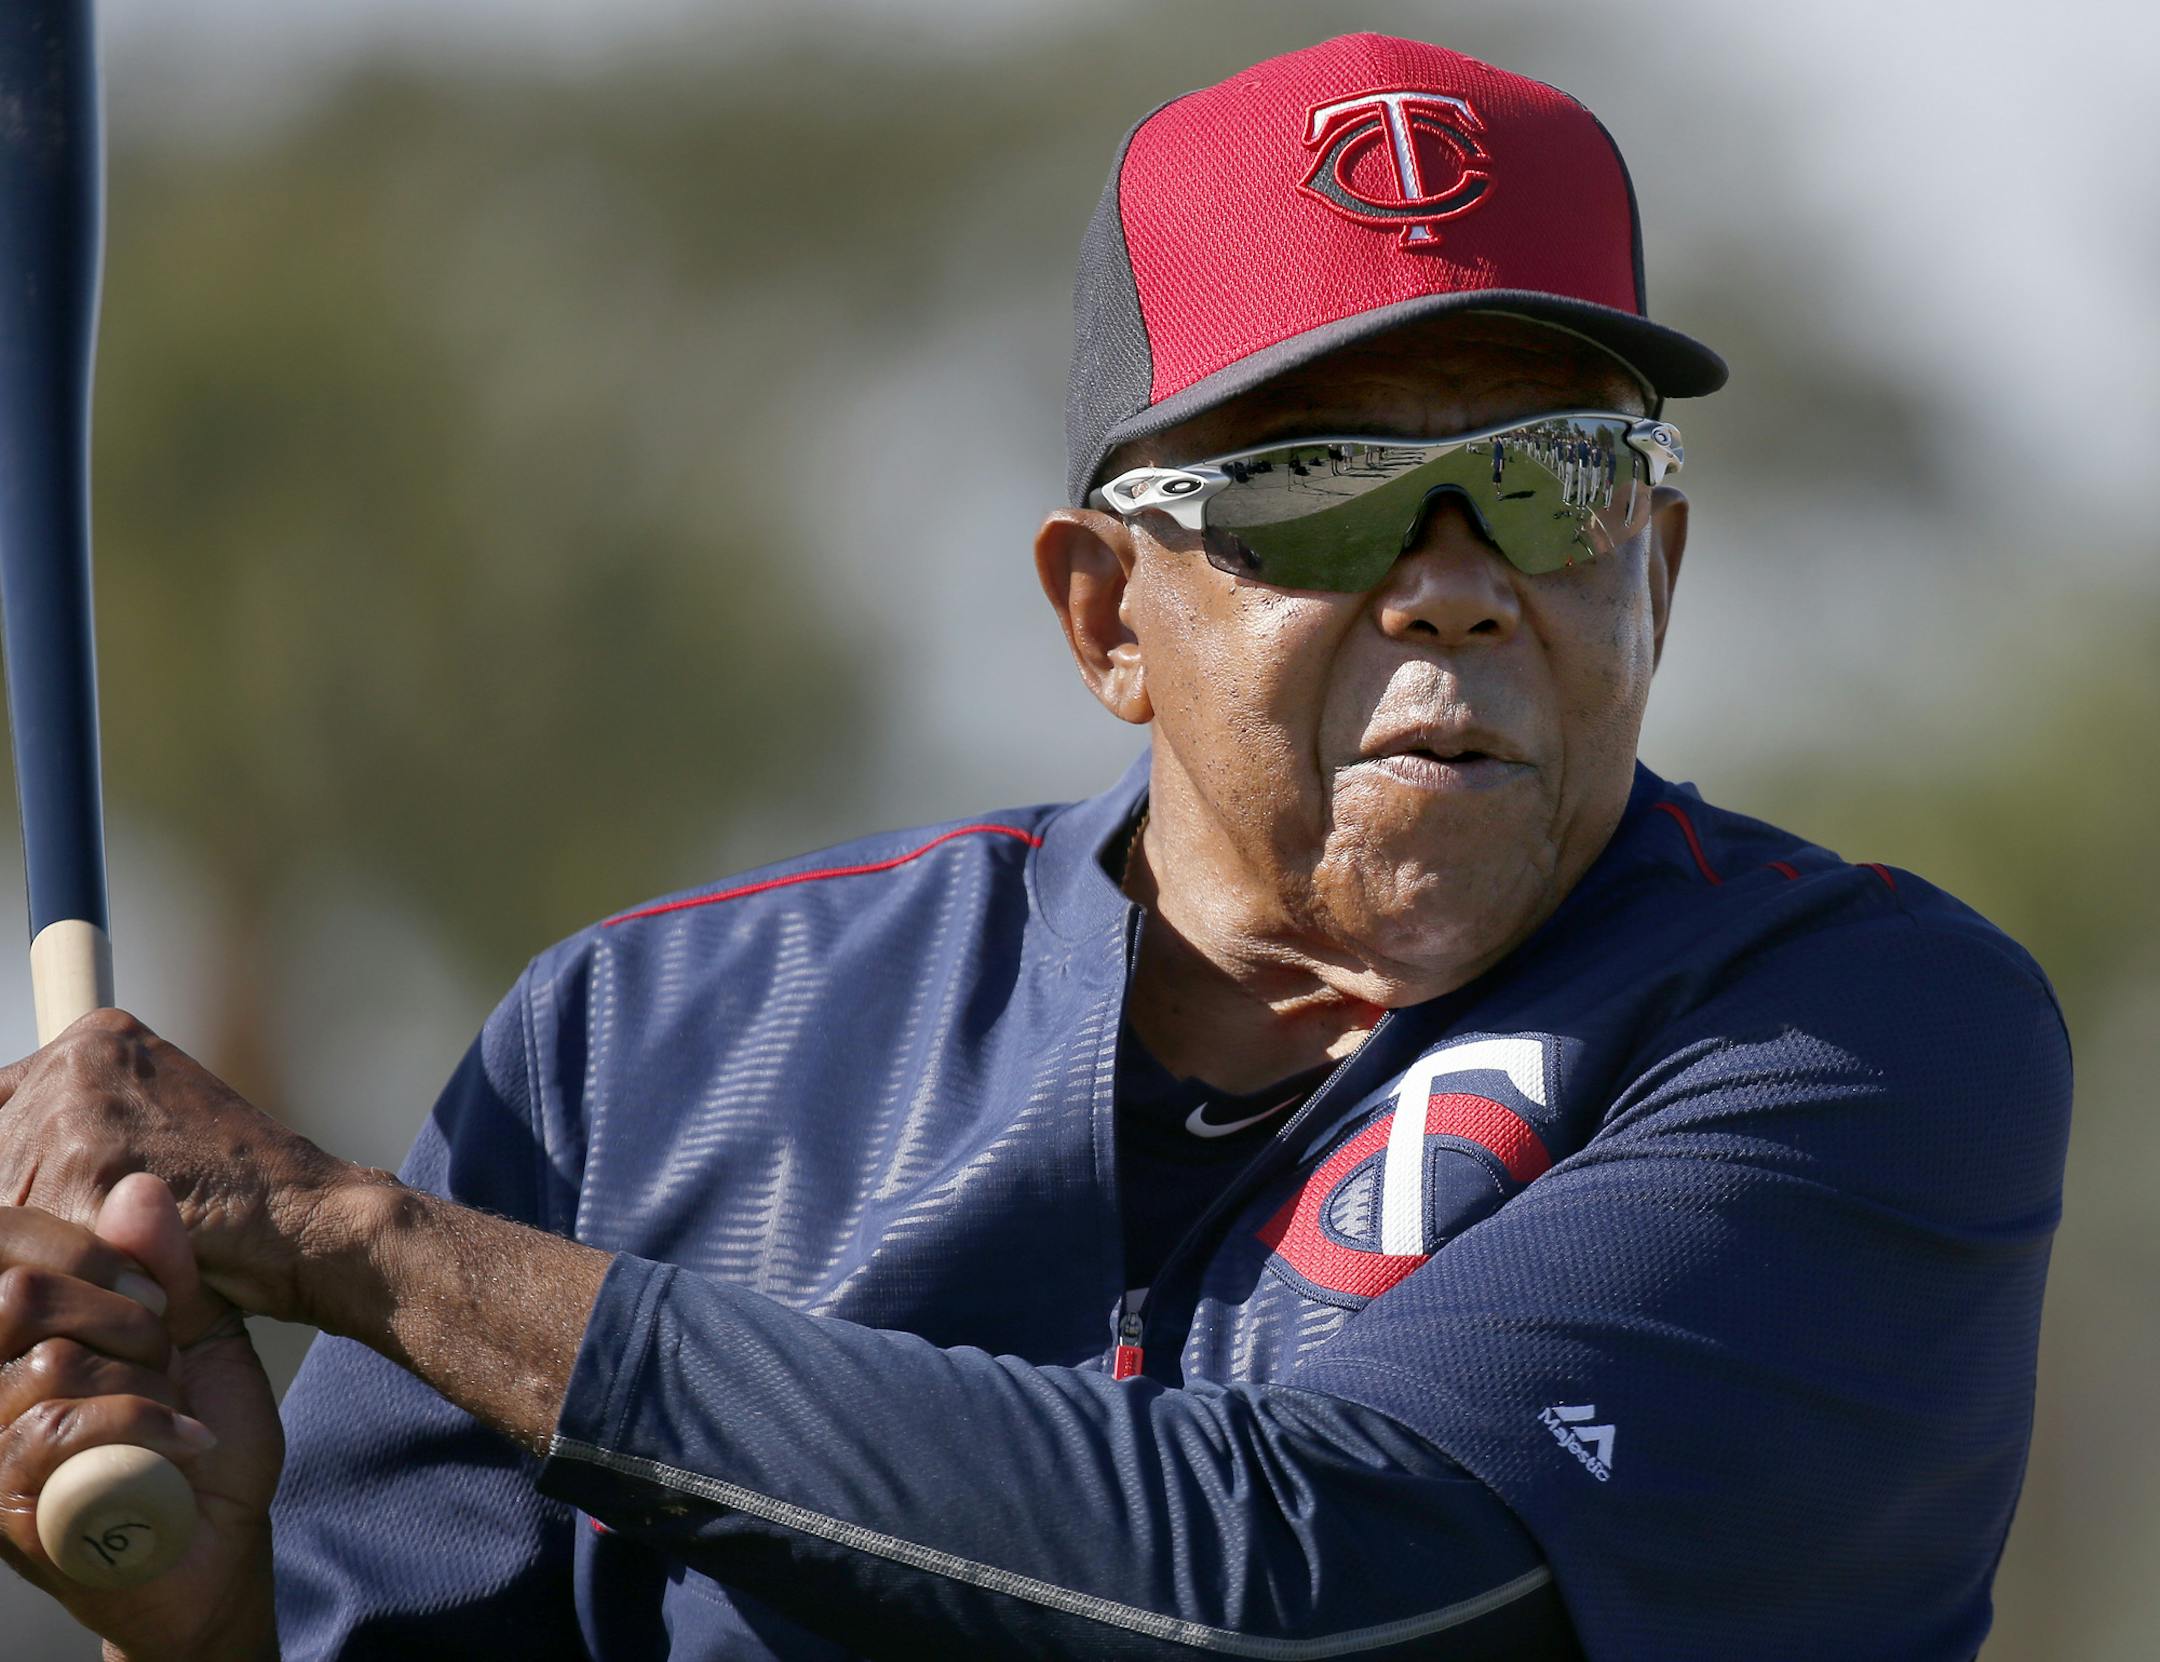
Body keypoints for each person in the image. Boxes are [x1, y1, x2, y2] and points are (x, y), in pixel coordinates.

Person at [0, 33, 2070, 1662]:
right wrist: (195, 1629)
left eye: (1548, 481)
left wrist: (369, 1252)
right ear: (1103, 614)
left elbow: (1320, 1597)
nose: (1454, 587)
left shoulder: (1854, 1032)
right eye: (1326, 486)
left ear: (1661, 567)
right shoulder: (640, 1050)